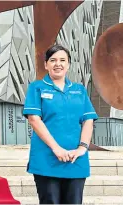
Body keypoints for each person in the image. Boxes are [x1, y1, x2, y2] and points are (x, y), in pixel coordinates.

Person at [23, 44, 98, 204]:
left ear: (68, 64)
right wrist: (56, 148)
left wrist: (82, 148)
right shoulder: (37, 87)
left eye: (63, 60)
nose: (58, 64)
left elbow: (88, 120)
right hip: (47, 158)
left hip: (75, 160)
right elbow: (34, 119)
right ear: (46, 64)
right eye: (53, 60)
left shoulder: (79, 90)